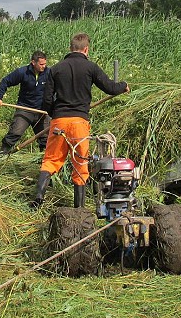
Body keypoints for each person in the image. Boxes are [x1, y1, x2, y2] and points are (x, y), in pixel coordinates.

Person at [33, 33, 129, 208]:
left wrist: (55, 115)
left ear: (70, 48)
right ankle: (79, 209)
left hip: (59, 122)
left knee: (51, 161)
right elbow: (110, 88)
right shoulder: (90, 67)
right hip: (79, 123)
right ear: (86, 49)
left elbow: (46, 101)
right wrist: (123, 86)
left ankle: (38, 198)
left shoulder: (55, 69)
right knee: (80, 164)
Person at [0, 50, 51, 153]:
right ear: (33, 62)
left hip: (42, 111)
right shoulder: (23, 72)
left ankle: (43, 159)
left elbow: (57, 89)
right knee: (15, 132)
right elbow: (5, 81)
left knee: (46, 139)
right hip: (25, 109)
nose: (44, 66)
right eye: (41, 64)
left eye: (45, 64)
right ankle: (2, 154)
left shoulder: (49, 73)